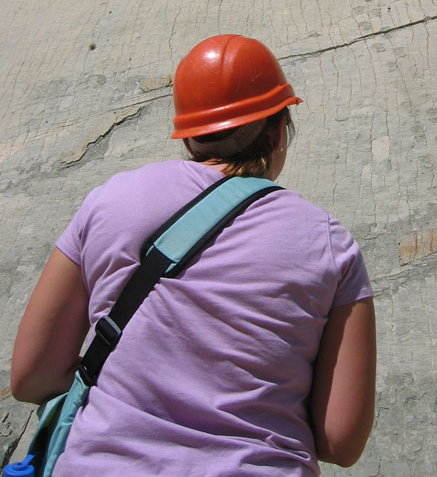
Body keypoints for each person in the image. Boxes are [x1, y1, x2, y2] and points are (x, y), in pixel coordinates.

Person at [11, 34, 376, 475]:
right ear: (280, 130)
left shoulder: (110, 201)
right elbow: (341, 441)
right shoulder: (330, 242)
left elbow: (31, 377)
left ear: (188, 139)